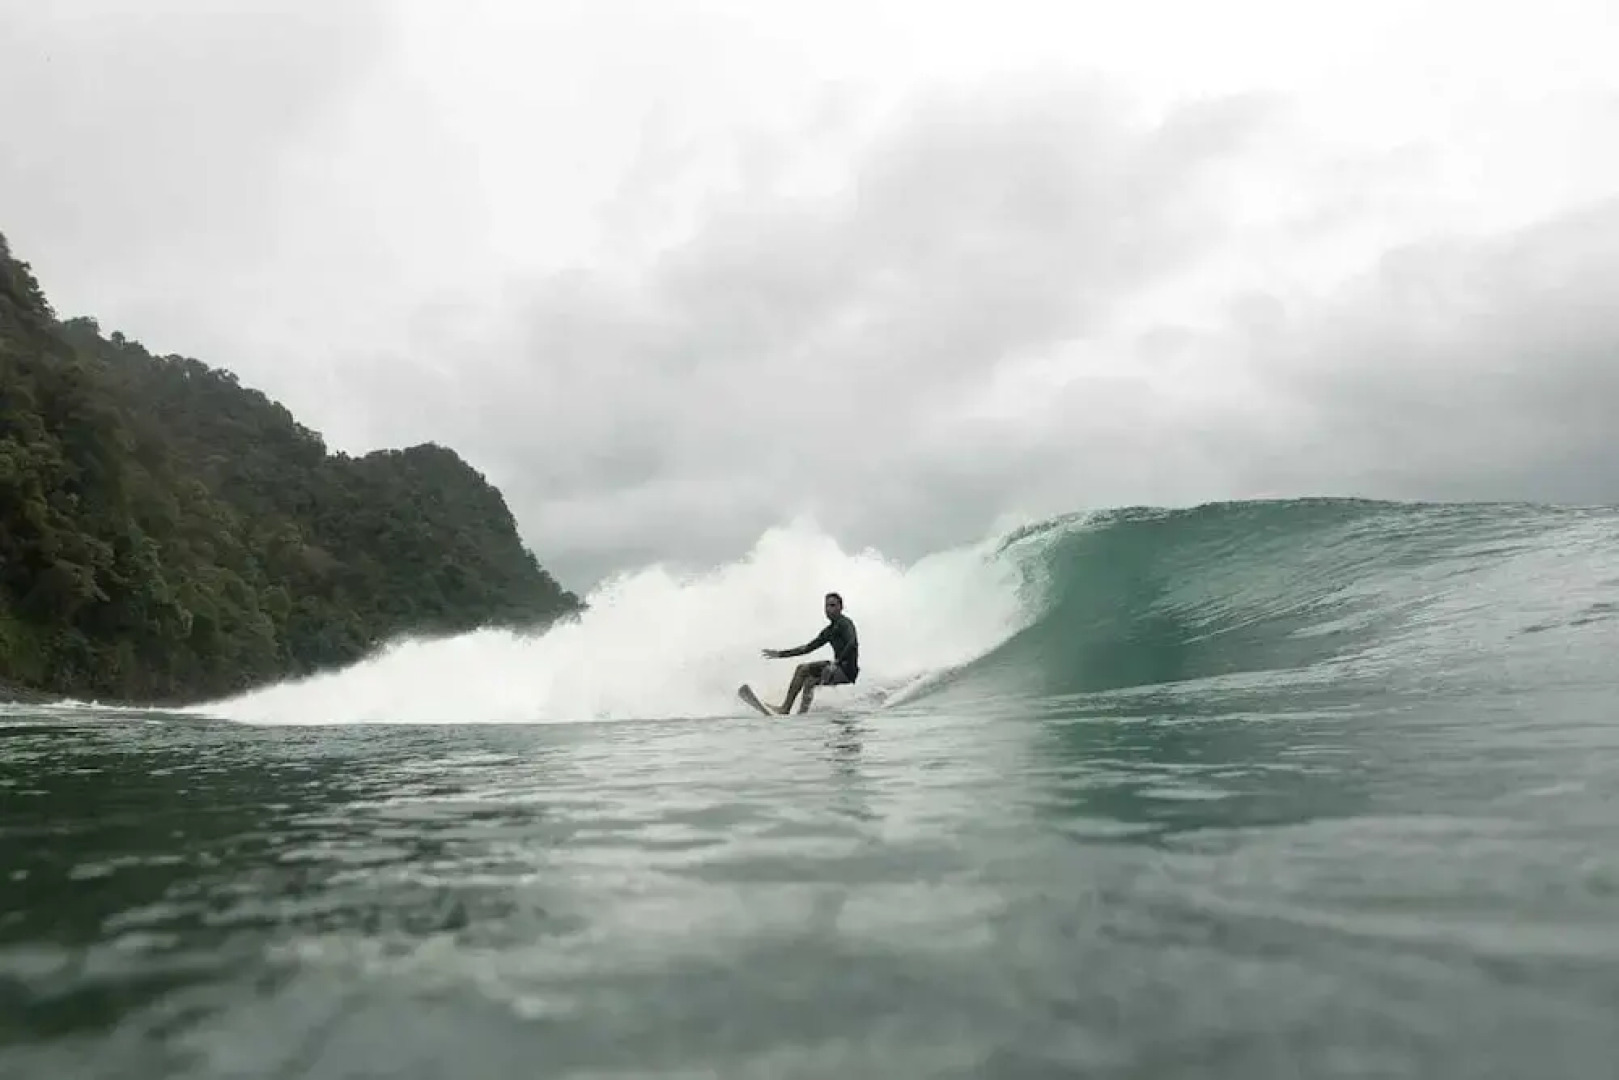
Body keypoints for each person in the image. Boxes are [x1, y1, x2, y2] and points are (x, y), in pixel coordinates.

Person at [761, 591, 860, 714]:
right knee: (809, 681)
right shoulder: (829, 631)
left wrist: (836, 663)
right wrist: (781, 654)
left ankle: (785, 709)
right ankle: (801, 714)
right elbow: (807, 648)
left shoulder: (845, 623)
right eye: (826, 606)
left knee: (802, 669)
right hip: (837, 667)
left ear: (841, 607)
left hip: (847, 670)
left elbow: (852, 643)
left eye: (832, 605)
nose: (829, 609)